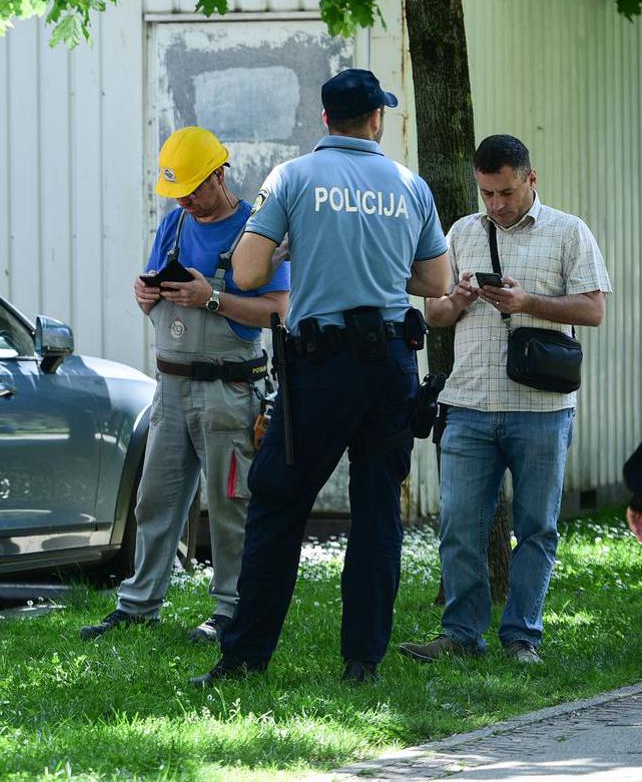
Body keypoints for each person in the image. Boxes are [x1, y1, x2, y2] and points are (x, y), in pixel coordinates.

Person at [190, 69, 452, 686]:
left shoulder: (295, 176)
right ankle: (363, 661)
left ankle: (244, 657)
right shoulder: (409, 185)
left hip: (322, 366)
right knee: (378, 510)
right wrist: (382, 265)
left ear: (327, 121)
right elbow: (438, 281)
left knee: (279, 502)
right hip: (391, 364)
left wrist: (300, 249)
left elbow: (249, 274)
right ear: (377, 120)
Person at [399, 135, 609, 667]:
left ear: (531, 180)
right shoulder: (462, 232)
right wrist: (460, 299)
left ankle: (522, 637)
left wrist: (527, 301)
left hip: (542, 408)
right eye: (486, 193)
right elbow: (434, 315)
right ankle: (461, 634)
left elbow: (592, 310)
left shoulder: (568, 231)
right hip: (468, 402)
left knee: (536, 526)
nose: (495, 204)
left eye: (506, 192)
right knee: (459, 525)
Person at [80, 127, 289, 645]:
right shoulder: (173, 224)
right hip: (170, 388)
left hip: (230, 389)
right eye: (179, 192)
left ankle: (230, 610)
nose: (187, 200)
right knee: (155, 499)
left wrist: (211, 298)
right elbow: (158, 290)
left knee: (229, 505)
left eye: (195, 188)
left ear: (221, 173)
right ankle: (138, 604)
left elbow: (277, 311)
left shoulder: (255, 229)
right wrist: (145, 295)